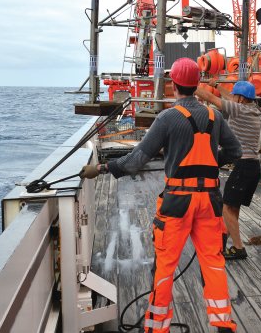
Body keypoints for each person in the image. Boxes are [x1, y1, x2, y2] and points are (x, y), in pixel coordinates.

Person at [81, 57, 241, 333]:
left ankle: (157, 327)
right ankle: (223, 324)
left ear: (173, 85)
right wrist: (212, 162)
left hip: (178, 201)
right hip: (210, 201)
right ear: (197, 85)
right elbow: (235, 152)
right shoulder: (215, 117)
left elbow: (135, 161)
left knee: (166, 266)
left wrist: (103, 168)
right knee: (213, 262)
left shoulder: (167, 118)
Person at [195, 80, 261, 261]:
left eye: (235, 96)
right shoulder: (252, 108)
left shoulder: (239, 110)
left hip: (244, 166)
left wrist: (188, 85)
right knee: (233, 208)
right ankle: (228, 239)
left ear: (240, 98)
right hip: (252, 167)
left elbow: (210, 98)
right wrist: (216, 84)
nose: (232, 98)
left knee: (226, 208)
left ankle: (239, 248)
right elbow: (229, 97)